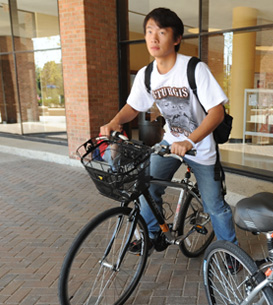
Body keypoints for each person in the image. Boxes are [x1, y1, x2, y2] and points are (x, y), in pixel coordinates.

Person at [99, 7, 236, 252]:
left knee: (214, 206)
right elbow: (133, 106)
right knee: (146, 187)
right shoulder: (147, 75)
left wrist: (190, 141)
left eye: (161, 32)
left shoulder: (194, 69)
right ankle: (153, 236)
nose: (153, 38)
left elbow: (217, 113)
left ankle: (231, 253)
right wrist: (114, 121)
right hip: (170, 142)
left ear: (176, 39)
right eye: (149, 31)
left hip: (201, 148)